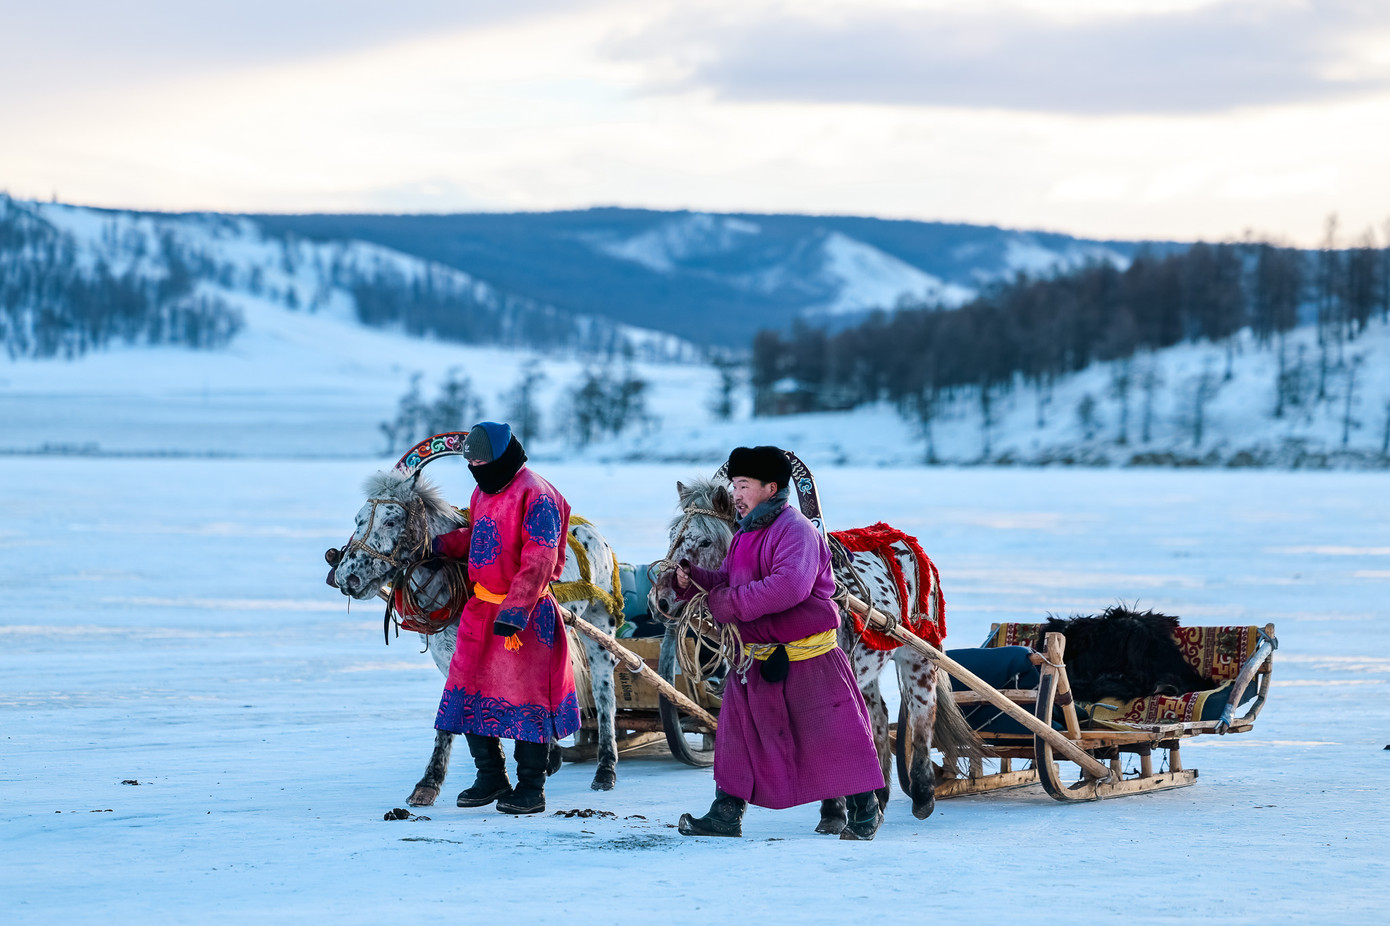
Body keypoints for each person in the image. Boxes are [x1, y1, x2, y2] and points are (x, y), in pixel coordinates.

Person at [674, 446, 886, 840]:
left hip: (807, 657)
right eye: (735, 485)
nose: (735, 494)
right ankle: (725, 813)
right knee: (737, 736)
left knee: (832, 735)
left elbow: (787, 588)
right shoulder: (746, 532)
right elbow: (729, 579)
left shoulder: (795, 531)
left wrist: (727, 604)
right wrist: (694, 581)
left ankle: (864, 810)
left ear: (770, 488)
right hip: (754, 658)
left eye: (743, 486)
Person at [430, 421, 579, 815]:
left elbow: (540, 557)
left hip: (523, 618)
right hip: (481, 611)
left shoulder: (538, 495)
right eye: (470, 461)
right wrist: (439, 545)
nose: (475, 465)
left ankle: (532, 787)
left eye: (480, 458)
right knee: (467, 692)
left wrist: (516, 611)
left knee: (526, 699)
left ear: (500, 455)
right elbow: (477, 535)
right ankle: (491, 775)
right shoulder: (483, 491)